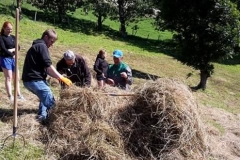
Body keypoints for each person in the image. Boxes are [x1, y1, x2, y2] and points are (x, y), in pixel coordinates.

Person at [22, 29, 72, 123]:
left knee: (44, 95)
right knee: (51, 101)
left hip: (29, 80)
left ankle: (42, 116)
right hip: (34, 80)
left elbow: (46, 69)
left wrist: (58, 75)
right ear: (45, 37)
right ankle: (58, 120)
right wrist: (60, 77)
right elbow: (48, 66)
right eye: (51, 41)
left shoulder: (37, 46)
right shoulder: (42, 46)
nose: (52, 44)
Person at [0, 21, 24, 101]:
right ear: (3, 28)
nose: (10, 31)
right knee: (9, 77)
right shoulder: (1, 37)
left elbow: (19, 47)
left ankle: (18, 94)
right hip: (5, 59)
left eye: (11, 29)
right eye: (8, 29)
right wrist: (12, 53)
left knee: (16, 77)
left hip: (13, 59)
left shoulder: (13, 37)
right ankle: (10, 96)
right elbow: (3, 49)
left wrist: (12, 49)